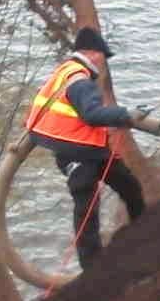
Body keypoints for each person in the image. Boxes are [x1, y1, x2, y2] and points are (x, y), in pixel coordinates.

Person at [26, 26, 148, 271]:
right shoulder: (80, 80)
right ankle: (92, 270)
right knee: (87, 208)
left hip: (89, 148)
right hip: (77, 154)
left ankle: (145, 231)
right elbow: (91, 114)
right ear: (93, 53)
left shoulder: (63, 72)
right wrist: (126, 114)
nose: (104, 62)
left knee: (129, 185)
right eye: (104, 56)